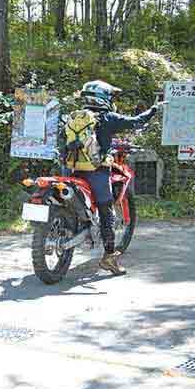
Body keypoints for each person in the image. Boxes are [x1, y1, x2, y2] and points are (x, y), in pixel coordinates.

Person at [68, 80, 163, 275]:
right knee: (107, 211)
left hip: (73, 170)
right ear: (104, 98)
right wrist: (153, 110)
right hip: (97, 171)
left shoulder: (73, 117)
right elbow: (136, 121)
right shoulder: (107, 118)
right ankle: (109, 257)